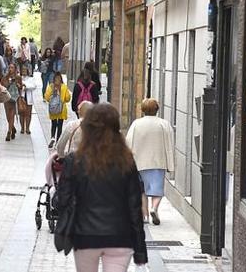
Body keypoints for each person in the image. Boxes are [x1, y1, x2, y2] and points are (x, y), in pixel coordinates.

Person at [56, 103, 148, 272]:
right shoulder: (126, 162)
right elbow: (135, 207)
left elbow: (62, 201)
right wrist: (140, 249)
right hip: (120, 236)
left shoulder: (74, 161)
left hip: (85, 235)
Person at [125, 98, 174, 225]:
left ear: (143, 110)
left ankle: (145, 215)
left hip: (139, 162)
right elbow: (169, 144)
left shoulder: (136, 123)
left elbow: (128, 142)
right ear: (157, 109)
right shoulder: (164, 124)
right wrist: (170, 163)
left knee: (142, 190)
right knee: (157, 189)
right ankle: (154, 208)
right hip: (158, 161)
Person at [45, 72, 71, 148]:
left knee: (53, 124)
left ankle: (52, 137)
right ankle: (57, 142)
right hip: (61, 109)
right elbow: (68, 98)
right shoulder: (64, 87)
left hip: (53, 109)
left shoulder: (51, 86)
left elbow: (46, 97)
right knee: (60, 125)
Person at [1, 63, 23, 141]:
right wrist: (9, 83)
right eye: (9, 67)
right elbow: (2, 87)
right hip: (7, 98)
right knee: (8, 116)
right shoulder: (5, 77)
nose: (11, 69)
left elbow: (21, 87)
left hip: (14, 98)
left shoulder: (18, 77)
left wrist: (18, 85)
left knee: (12, 115)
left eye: (12, 67)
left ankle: (9, 132)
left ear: (15, 69)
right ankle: (12, 128)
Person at [19, 65, 37, 134]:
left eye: (25, 70)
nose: (24, 71)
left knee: (28, 114)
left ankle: (27, 128)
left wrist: (26, 86)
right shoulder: (19, 78)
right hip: (21, 97)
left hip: (28, 98)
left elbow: (34, 86)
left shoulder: (31, 79)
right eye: (22, 70)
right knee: (21, 113)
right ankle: (22, 128)